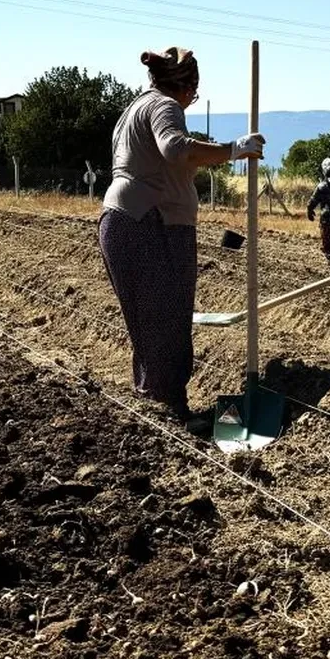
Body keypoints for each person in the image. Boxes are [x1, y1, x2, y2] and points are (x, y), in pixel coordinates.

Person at [99, 47, 264, 424]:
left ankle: (156, 406)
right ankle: (170, 414)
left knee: (148, 325)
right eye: (195, 88)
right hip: (150, 224)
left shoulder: (132, 110)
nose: (194, 97)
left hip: (121, 222)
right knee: (167, 322)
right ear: (188, 85)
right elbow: (174, 148)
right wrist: (233, 150)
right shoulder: (165, 106)